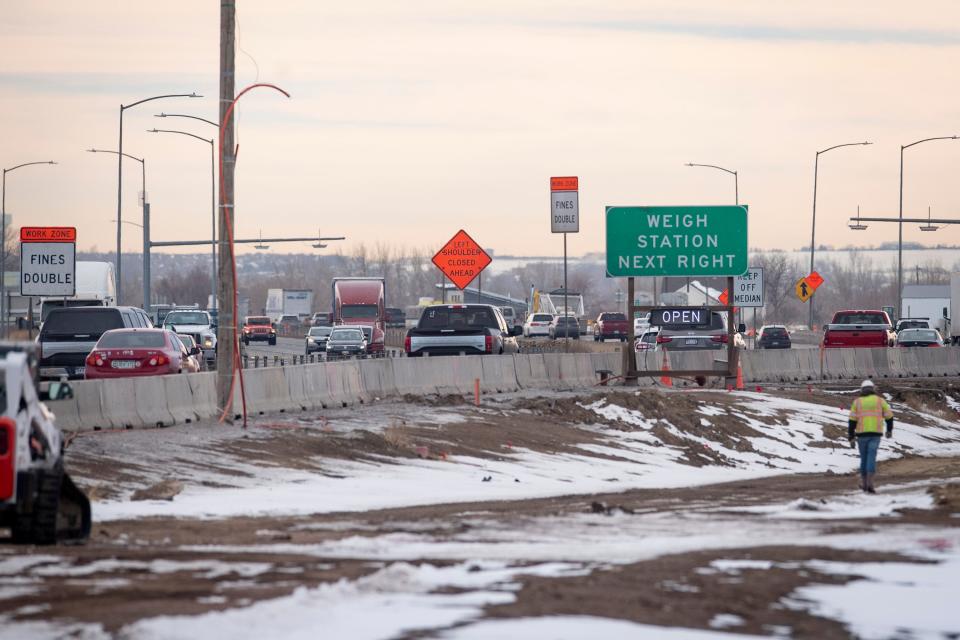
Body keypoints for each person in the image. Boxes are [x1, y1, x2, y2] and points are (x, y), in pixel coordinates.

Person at [848, 379, 894, 494]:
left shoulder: (857, 402)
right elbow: (889, 417)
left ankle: (864, 484)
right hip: (875, 434)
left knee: (864, 458)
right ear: (873, 389)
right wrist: (889, 430)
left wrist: (851, 436)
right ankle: (870, 483)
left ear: (862, 389)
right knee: (871, 457)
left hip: (861, 435)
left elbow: (852, 421)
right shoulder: (880, 401)